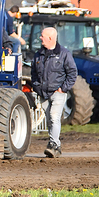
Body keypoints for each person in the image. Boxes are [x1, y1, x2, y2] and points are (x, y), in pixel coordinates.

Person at [31, 27, 78, 157]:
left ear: (50, 38)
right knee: (49, 120)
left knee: (54, 117)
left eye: (42, 36)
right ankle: (56, 146)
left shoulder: (64, 53)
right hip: (43, 93)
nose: (40, 38)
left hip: (58, 92)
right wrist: (37, 87)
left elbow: (73, 73)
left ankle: (53, 144)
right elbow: (34, 73)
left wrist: (63, 88)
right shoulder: (38, 54)